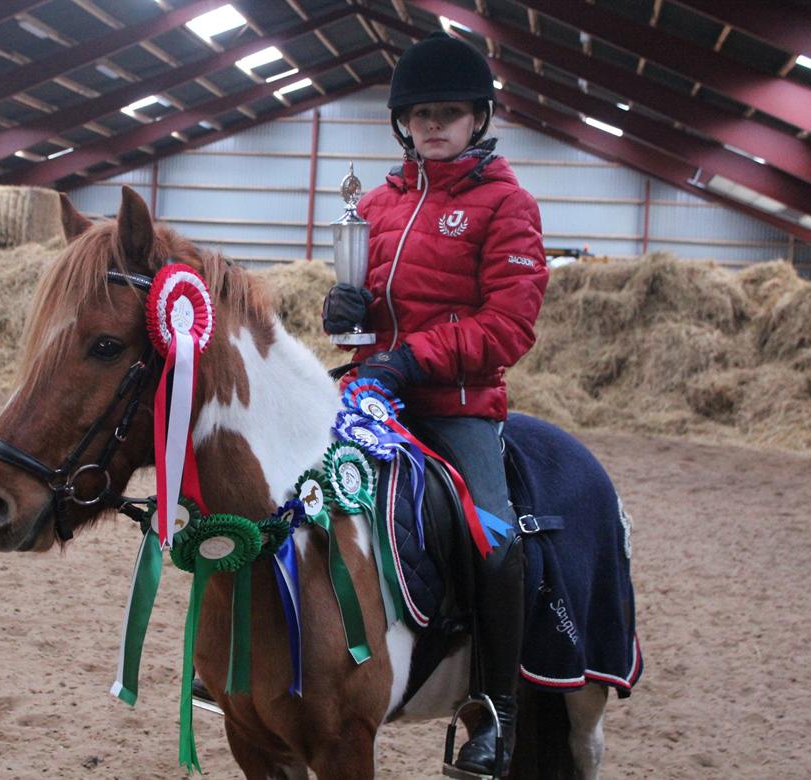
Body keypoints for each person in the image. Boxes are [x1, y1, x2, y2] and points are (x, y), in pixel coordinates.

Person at [322, 31, 548, 777]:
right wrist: (344, 312)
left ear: (478, 118)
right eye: (420, 115)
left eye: (449, 113)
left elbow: (509, 325)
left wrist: (412, 356)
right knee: (286, 496)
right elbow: (370, 311)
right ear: (402, 122)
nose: (433, 126)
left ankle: (494, 712)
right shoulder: (380, 203)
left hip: (456, 407)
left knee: (496, 538)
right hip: (370, 393)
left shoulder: (506, 204)